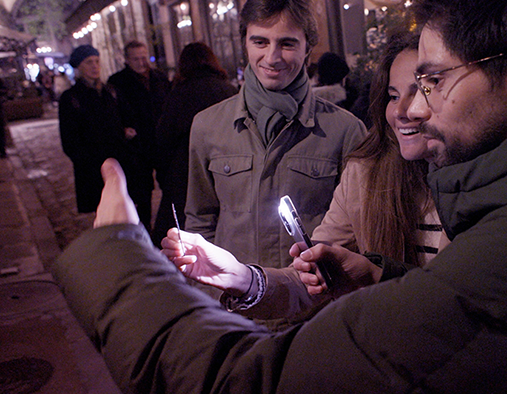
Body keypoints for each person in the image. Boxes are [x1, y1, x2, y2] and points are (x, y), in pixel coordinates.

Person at [52, 0, 507, 391]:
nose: (412, 108)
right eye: (403, 90)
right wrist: (361, 279)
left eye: (434, 81)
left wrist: (119, 262)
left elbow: (255, 383)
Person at [161, 32, 450, 321]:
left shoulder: (476, 182)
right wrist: (241, 278)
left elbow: (462, 300)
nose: (402, 110)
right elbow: (308, 279)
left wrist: (375, 274)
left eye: (421, 91)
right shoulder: (366, 174)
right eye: (393, 96)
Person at [185, 0, 366, 274]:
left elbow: (360, 233)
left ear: (308, 47)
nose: (272, 58)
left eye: (287, 43)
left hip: (314, 310)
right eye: (260, 42)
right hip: (232, 308)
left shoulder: (345, 131)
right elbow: (200, 219)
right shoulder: (207, 126)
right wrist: (206, 290)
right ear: (244, 42)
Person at [151, 42, 238, 246]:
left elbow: (164, 140)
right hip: (226, 169)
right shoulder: (229, 91)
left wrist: (165, 179)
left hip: (185, 175)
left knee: (184, 237)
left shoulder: (179, 94)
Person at [58, 45, 137, 216]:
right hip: (92, 168)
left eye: (96, 61)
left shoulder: (111, 91)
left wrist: (126, 133)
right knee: (102, 213)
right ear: (79, 66)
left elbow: (127, 117)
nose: (94, 66)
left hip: (119, 162)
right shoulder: (71, 98)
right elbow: (69, 139)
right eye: (88, 62)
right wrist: (85, 159)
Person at [108, 40, 171, 230]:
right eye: (136, 59)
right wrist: (123, 130)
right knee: (142, 193)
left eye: (143, 57)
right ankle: (144, 230)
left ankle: (167, 226)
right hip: (136, 147)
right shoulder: (117, 82)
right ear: (127, 60)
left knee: (168, 185)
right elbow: (112, 113)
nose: (141, 62)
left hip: (160, 141)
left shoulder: (159, 77)